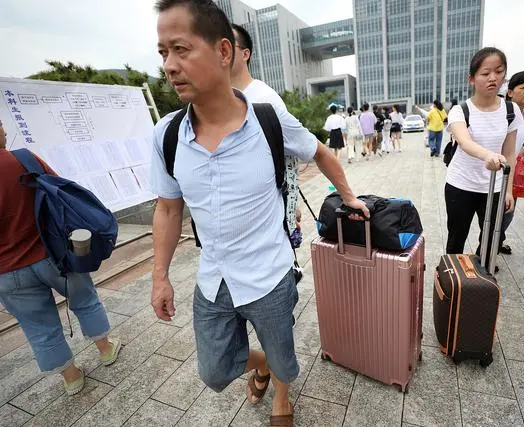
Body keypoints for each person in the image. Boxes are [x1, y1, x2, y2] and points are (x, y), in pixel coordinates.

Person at [151, 2, 369, 425]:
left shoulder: (268, 118)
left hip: (269, 272)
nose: (170, 66)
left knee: (287, 359)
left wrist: (349, 197)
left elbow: (321, 152)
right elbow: (167, 207)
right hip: (214, 279)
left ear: (225, 51)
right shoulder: (167, 135)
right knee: (214, 372)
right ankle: (262, 364)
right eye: (163, 53)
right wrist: (160, 276)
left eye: (181, 49)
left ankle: (281, 394)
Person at [0, 120, 121, 396]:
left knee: (39, 327)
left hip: (6, 273)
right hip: (54, 255)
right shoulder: (23, 159)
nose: (5, 129)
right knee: (85, 299)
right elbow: (61, 193)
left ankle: (71, 378)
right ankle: (106, 350)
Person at [445, 47, 524, 267]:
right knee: (456, 237)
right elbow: (465, 142)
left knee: (491, 237)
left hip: (495, 186)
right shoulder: (460, 110)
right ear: (472, 78)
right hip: (460, 184)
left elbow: (510, 152)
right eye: (485, 73)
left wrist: (509, 190)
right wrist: (489, 156)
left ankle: (482, 274)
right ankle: (452, 278)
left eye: (499, 71)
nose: (493, 78)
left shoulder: (511, 110)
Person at [230, 23, 301, 236]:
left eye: (226, 44)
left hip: (267, 214)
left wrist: (291, 205)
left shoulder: (264, 98)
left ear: (245, 54)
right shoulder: (219, 100)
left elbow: (288, 156)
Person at [499, 71, 524, 255]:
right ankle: (488, 249)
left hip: (512, 170)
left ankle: (497, 241)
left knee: (508, 210)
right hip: (496, 169)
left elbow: (516, 138)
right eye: (523, 87)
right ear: (510, 92)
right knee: (495, 214)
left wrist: (522, 149)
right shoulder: (502, 112)